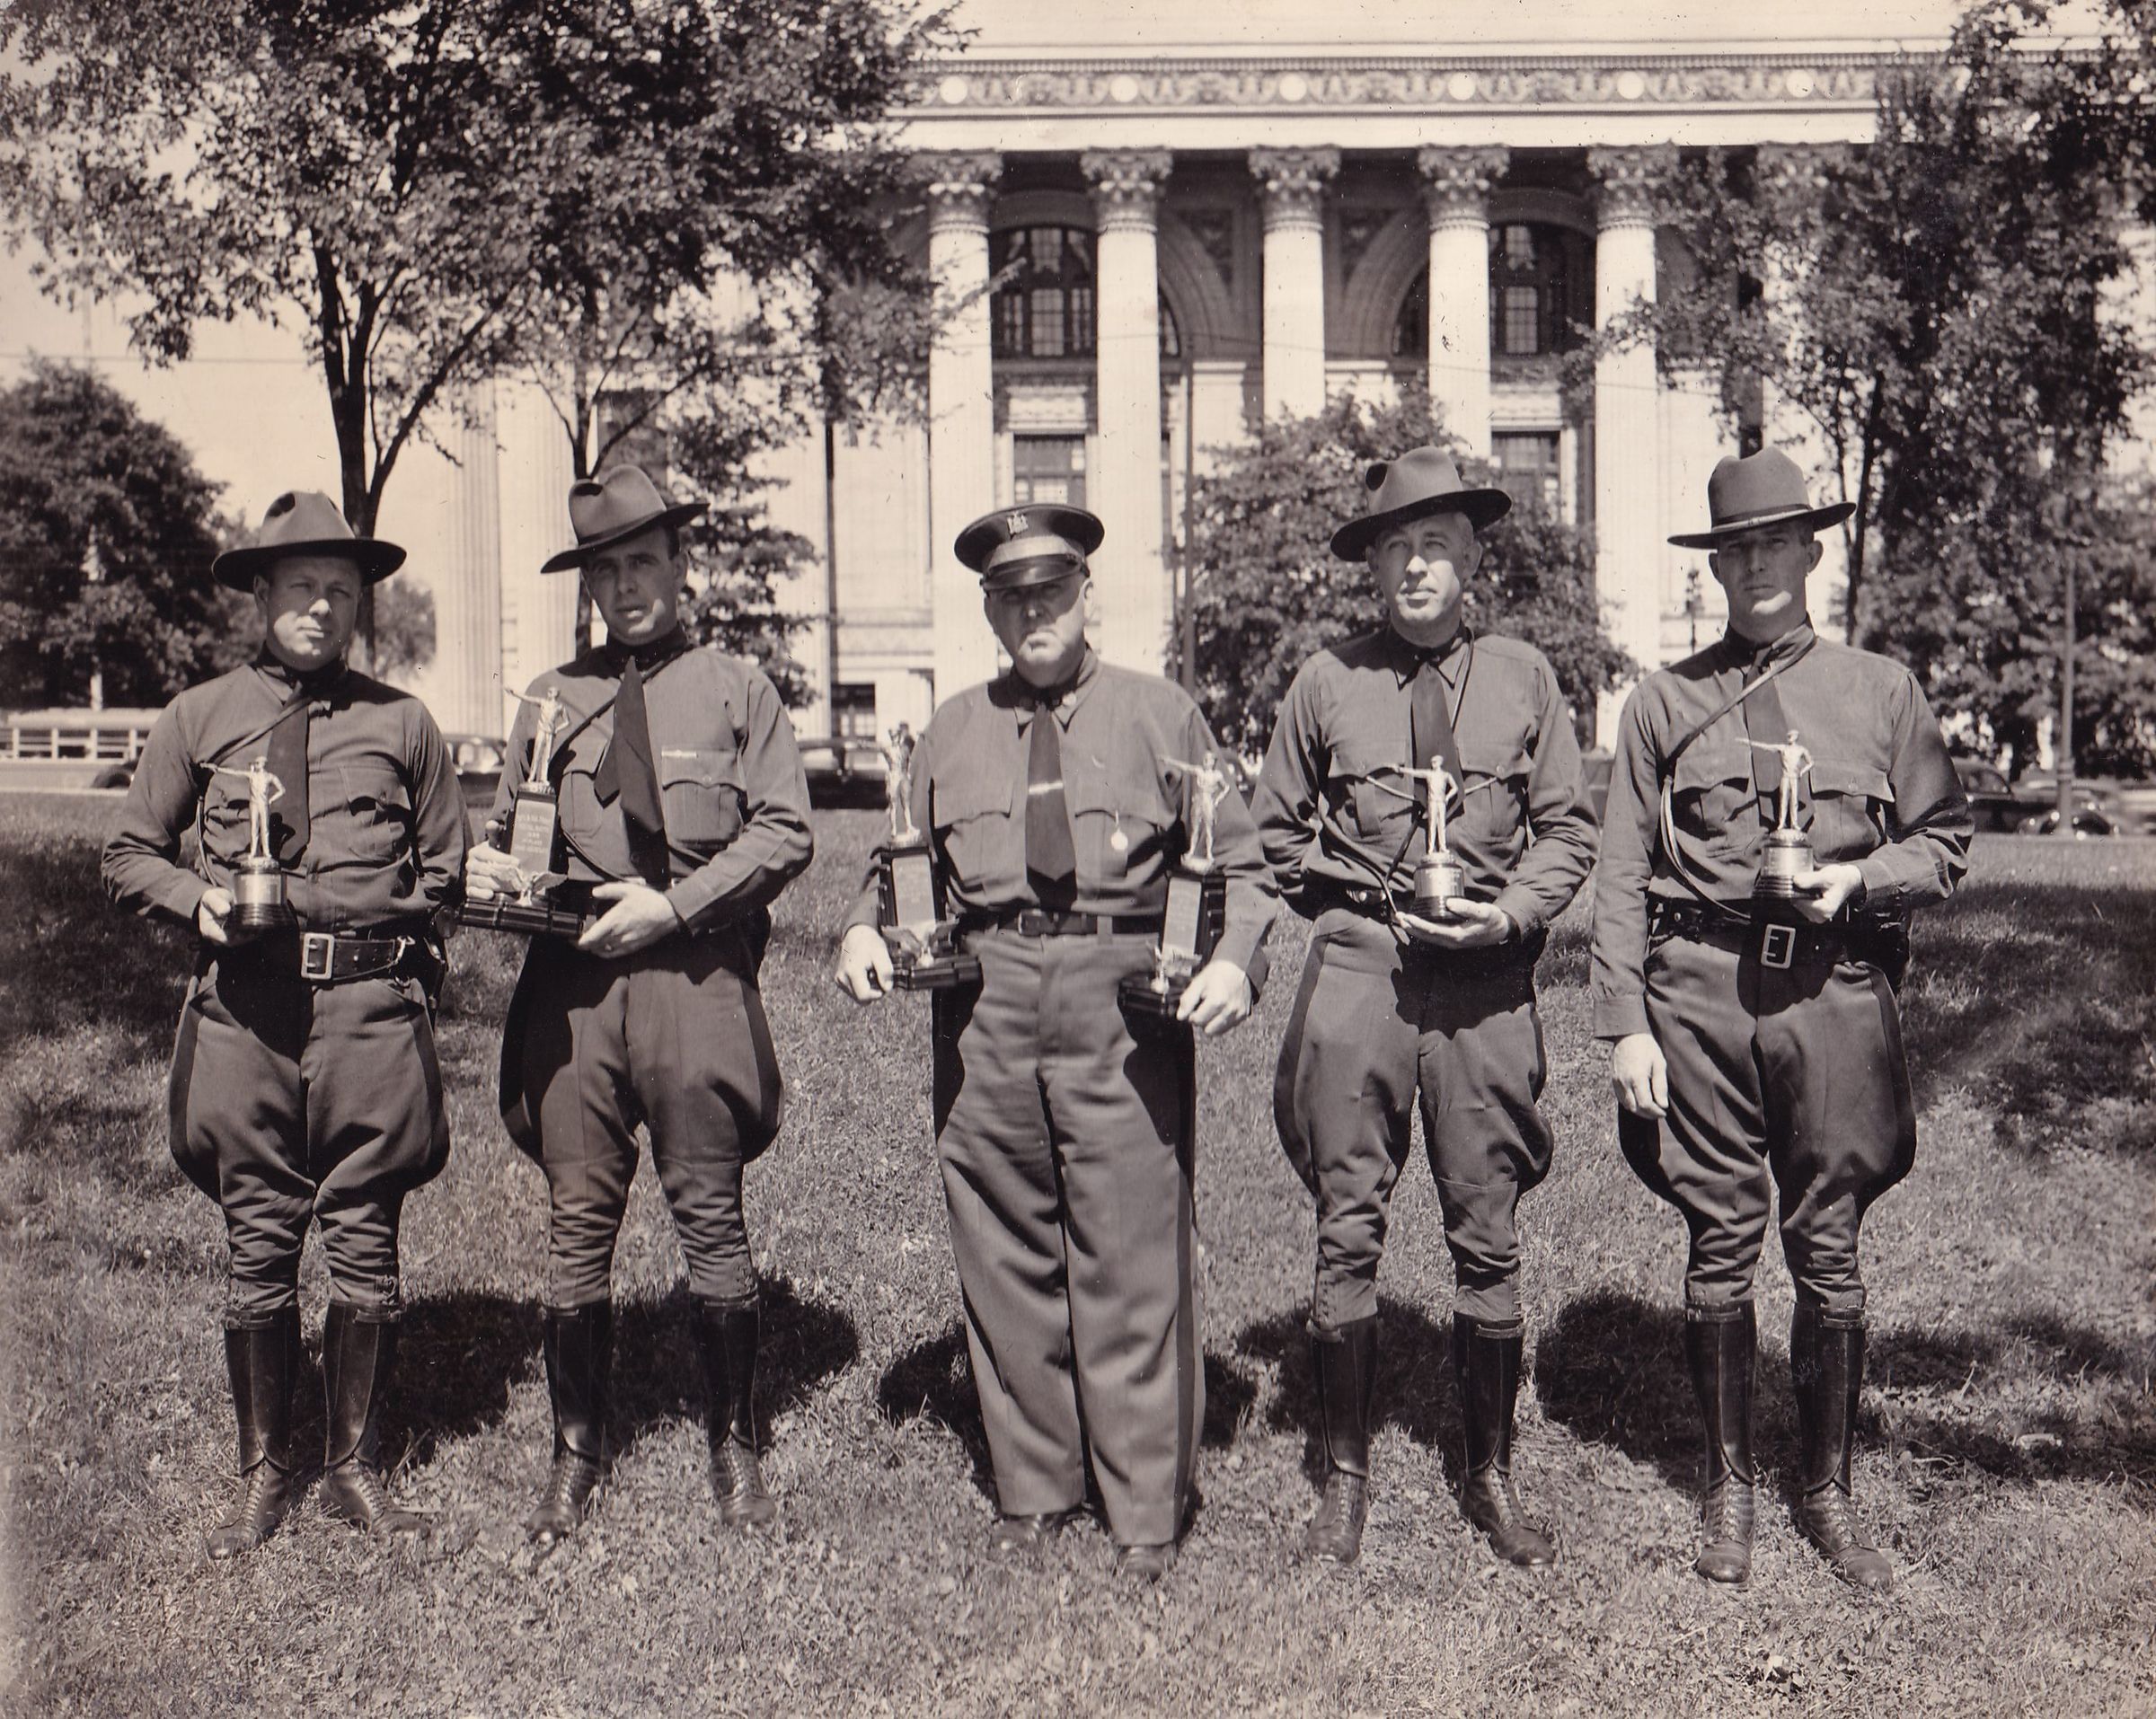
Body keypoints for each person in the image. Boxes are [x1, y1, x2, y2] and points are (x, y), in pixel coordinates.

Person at [833, 505, 1277, 1582]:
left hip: (1122, 999)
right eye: (1012, 597)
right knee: (1003, 1243)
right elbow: (898, 864)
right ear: (990, 611)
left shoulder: (1161, 715)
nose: (1034, 613)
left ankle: (1144, 1506)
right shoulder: (950, 732)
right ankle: (1035, 1487)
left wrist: (1234, 962)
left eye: (1053, 592)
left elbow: (1244, 865)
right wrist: (860, 930)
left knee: (1130, 1249)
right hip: (984, 1003)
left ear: (1087, 596)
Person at [1589, 445, 1972, 1592]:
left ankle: (1826, 1491)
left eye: (1774, 544)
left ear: (1811, 551)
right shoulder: (1663, 703)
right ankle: (1729, 1488)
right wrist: (1625, 1023)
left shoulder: (1882, 691)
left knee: (1829, 1241)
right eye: (1735, 550)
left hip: (1832, 990)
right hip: (1700, 993)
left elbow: (1945, 841)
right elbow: (1621, 872)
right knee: (1719, 1236)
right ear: (1715, 568)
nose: (1756, 565)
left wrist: (1861, 878)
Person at [1250, 445, 1596, 1568]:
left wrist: (1512, 916)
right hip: (1363, 971)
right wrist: (1345, 896)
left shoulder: (1525, 678)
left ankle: (1488, 1473)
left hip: (1487, 982)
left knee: (1487, 1227)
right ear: (1372, 565)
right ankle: (1344, 1480)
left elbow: (1568, 830)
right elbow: (1271, 833)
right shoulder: (1326, 681)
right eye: (1395, 545)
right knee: (1347, 1219)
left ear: (1473, 559)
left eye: (1436, 544)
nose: (1414, 565)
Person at [102, 489, 466, 1556]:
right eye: (301, 586)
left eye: (340, 590)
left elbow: (444, 867)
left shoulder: (404, 724)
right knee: (257, 1238)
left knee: (367, 1238)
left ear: (359, 603)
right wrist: (196, 902)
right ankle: (265, 1472)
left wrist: (392, 948)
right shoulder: (200, 716)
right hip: (246, 1013)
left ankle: (353, 1468)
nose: (321, 607)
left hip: (368, 1015)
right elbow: (128, 852)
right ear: (260, 594)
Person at [464, 465, 812, 1546]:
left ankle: (734, 1447)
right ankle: (576, 1454)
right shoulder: (547, 700)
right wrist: (491, 874)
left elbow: (785, 832)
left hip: (692, 979)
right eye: (604, 571)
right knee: (576, 1219)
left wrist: (674, 906)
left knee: (710, 1211)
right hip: (573, 989)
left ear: (680, 565)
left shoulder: (738, 690)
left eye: (644, 563)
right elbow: (513, 837)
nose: (625, 588)